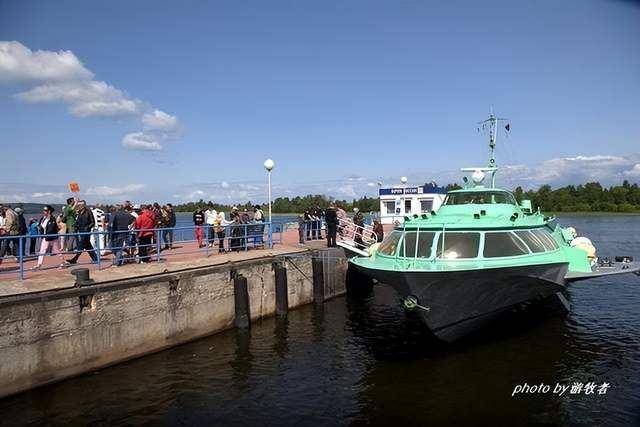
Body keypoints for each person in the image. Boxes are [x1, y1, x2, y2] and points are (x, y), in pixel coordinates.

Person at [65, 200, 97, 265]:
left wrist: (87, 227)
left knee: (81, 246)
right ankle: (95, 259)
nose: (79, 206)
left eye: (80, 205)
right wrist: (75, 225)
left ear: (84, 205)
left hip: (86, 232)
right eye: (78, 205)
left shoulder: (88, 212)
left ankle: (74, 259)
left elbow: (93, 222)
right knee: (88, 246)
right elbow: (78, 221)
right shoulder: (79, 212)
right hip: (81, 231)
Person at [35, 205, 64, 269]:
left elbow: (52, 228)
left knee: (56, 250)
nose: (44, 212)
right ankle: (39, 264)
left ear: (49, 211)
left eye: (45, 210)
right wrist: (39, 229)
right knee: (42, 250)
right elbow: (41, 226)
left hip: (52, 238)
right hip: (45, 238)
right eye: (44, 210)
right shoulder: (43, 218)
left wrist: (47, 234)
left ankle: (63, 262)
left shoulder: (52, 219)